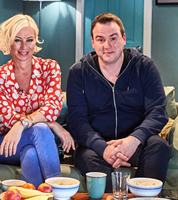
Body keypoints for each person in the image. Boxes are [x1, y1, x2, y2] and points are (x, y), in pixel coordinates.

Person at [67, 13, 170, 192]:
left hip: (136, 143)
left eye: (113, 38)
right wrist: (102, 147)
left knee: (159, 146)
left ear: (123, 39)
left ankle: (142, 196)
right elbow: (77, 121)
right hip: (97, 147)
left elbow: (158, 112)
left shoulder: (144, 67)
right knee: (86, 156)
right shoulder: (78, 73)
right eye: (100, 39)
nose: (107, 46)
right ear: (92, 42)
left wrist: (134, 139)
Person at [0, 14, 75, 188]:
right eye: (18, 40)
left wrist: (22, 124)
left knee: (31, 153)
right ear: (8, 42)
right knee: (41, 127)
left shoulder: (50, 68)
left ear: (35, 42)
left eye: (29, 40)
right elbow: (6, 118)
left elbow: (54, 106)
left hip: (34, 140)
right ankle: (60, 191)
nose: (24, 47)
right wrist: (51, 124)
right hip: (4, 142)